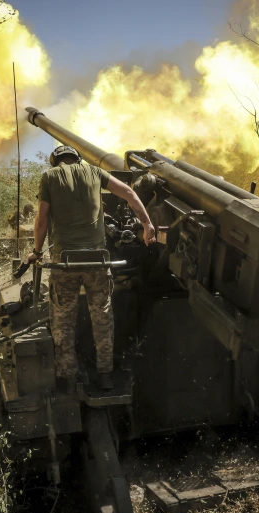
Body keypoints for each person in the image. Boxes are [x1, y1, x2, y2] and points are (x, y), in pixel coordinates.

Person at [26, 145, 156, 392]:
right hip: (98, 261)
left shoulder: (49, 177)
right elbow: (129, 192)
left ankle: (69, 376)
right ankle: (105, 375)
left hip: (65, 262)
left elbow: (42, 220)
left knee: (63, 321)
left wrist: (37, 250)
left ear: (55, 161)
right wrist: (147, 224)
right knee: (103, 319)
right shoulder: (95, 172)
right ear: (77, 158)